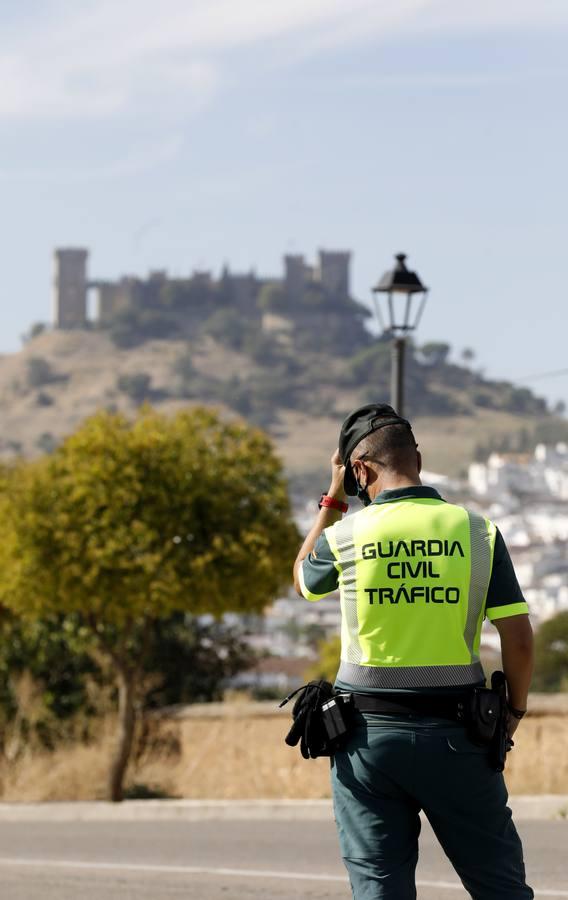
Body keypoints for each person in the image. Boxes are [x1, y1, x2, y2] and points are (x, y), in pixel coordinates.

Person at [293, 403, 534, 900]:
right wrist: (514, 710)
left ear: (360, 471)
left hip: (367, 742)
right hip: (460, 738)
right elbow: (519, 635)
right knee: (501, 887)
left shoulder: (346, 536)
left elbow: (303, 581)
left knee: (380, 888)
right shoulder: (477, 532)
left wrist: (333, 499)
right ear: (417, 458)